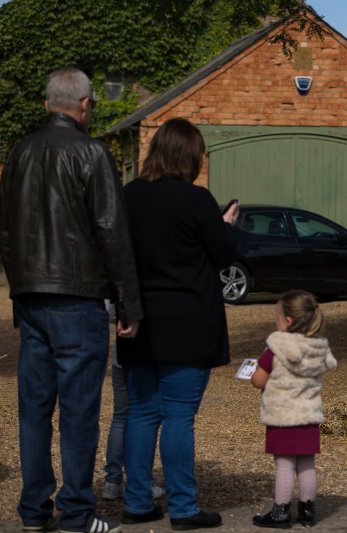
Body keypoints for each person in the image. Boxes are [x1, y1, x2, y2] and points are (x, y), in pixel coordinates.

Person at [0, 67, 142, 533]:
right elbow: (112, 232)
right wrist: (128, 304)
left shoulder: (18, 154)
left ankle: (34, 511)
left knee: (34, 410)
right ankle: (77, 513)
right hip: (77, 297)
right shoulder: (91, 152)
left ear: (46, 104)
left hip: (32, 297)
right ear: (85, 104)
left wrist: (19, 285)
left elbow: (5, 230)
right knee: (79, 412)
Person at [117, 118, 238, 530]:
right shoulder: (196, 200)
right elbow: (223, 255)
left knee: (141, 413)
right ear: (189, 156)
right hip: (188, 320)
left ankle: (136, 502)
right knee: (178, 416)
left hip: (138, 319)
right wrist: (225, 226)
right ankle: (184, 508)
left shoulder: (129, 196)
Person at [251, 290, 337, 528]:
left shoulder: (276, 347)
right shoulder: (317, 348)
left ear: (287, 321)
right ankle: (308, 511)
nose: (275, 322)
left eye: (277, 318)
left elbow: (259, 380)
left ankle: (281, 511)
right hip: (308, 415)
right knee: (307, 463)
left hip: (282, 416)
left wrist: (253, 372)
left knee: (284, 464)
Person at [101, 300, 164, 502]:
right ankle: (141, 482)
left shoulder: (123, 285)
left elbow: (111, 312)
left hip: (122, 352)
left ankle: (112, 481)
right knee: (145, 418)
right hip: (148, 354)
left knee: (120, 417)